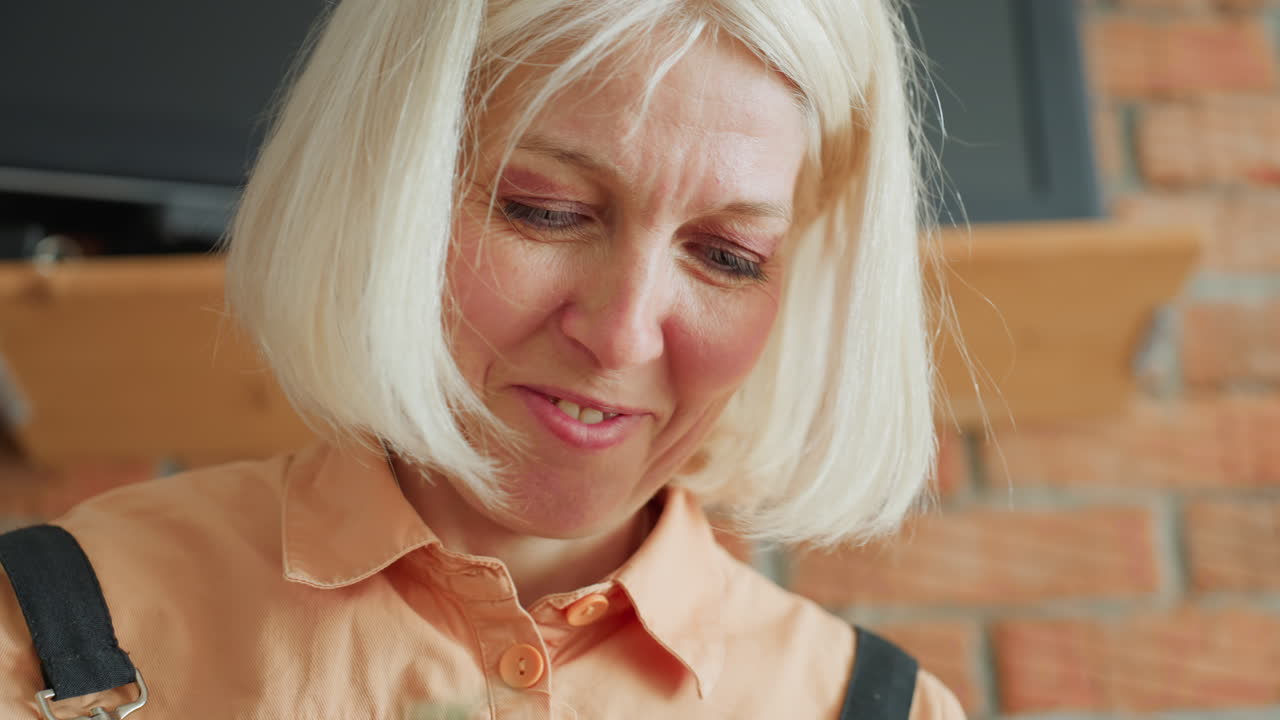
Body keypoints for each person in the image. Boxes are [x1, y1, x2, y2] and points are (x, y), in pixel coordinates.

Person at [0, 0, 964, 717]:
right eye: (546, 211)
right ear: (388, 185)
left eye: (727, 258)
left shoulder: (877, 706)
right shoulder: (54, 627)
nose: (623, 334)